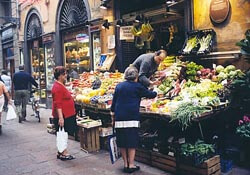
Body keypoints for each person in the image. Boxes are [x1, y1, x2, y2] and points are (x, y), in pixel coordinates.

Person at [111, 66, 157, 173]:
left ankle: (125, 164)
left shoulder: (119, 86)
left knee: (122, 141)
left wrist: (113, 115)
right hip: (131, 117)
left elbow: (114, 104)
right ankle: (131, 165)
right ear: (136, 77)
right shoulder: (138, 86)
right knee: (131, 141)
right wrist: (155, 90)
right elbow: (150, 95)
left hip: (120, 117)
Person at [52, 66, 76, 161]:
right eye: (64, 74)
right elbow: (58, 104)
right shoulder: (57, 87)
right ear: (60, 76)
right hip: (64, 115)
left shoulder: (60, 85)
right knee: (63, 133)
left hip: (67, 114)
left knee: (63, 133)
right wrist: (61, 118)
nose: (66, 75)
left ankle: (61, 151)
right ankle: (63, 153)